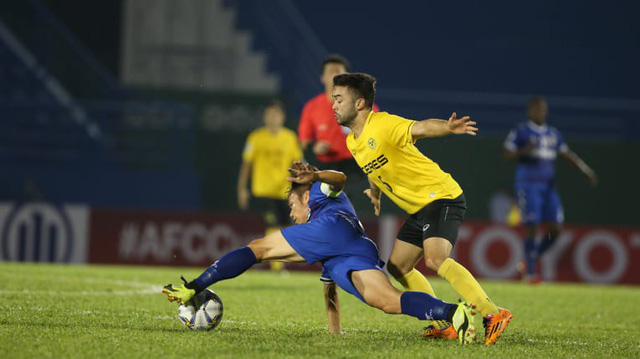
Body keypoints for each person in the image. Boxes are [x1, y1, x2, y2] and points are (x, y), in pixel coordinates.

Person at [164, 162, 478, 345]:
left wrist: (314, 176)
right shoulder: (326, 214)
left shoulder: (317, 194)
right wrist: (334, 332)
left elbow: (338, 179)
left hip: (330, 233)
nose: (291, 215)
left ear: (303, 199)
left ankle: (196, 285)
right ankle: (451, 312)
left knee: (257, 249)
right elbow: (329, 289)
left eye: (291, 207)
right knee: (388, 301)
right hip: (355, 248)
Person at [332, 72, 512, 345]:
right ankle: (445, 322)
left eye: (338, 99)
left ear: (359, 103)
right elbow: (375, 166)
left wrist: (448, 128)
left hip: (441, 197)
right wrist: (377, 193)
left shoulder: (381, 124)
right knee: (398, 266)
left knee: (436, 259)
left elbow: (421, 128)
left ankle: (493, 314)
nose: (333, 104)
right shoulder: (352, 141)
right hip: (420, 208)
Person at [503, 96, 597, 283]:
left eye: (543, 109)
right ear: (530, 111)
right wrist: (524, 151)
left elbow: (566, 154)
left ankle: (531, 257)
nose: (541, 112)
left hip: (548, 187)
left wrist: (584, 170)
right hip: (528, 185)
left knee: (556, 229)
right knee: (532, 226)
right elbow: (506, 153)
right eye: (537, 109)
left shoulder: (553, 134)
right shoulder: (521, 131)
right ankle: (530, 273)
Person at [237, 99, 303, 272]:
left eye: (276, 114)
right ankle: (276, 266)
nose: (272, 117)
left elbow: (297, 163)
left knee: (284, 227)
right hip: (263, 191)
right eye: (269, 114)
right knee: (273, 225)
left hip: (283, 192)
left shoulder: (289, 138)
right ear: (265, 117)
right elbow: (247, 164)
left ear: (282, 117)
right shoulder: (256, 137)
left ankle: (271, 261)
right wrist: (242, 188)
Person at [297, 55, 378, 179]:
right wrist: (315, 147)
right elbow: (304, 142)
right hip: (323, 166)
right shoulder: (312, 107)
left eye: (339, 72)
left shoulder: (363, 104)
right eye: (330, 72)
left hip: (356, 167)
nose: (335, 76)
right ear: (322, 78)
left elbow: (378, 135)